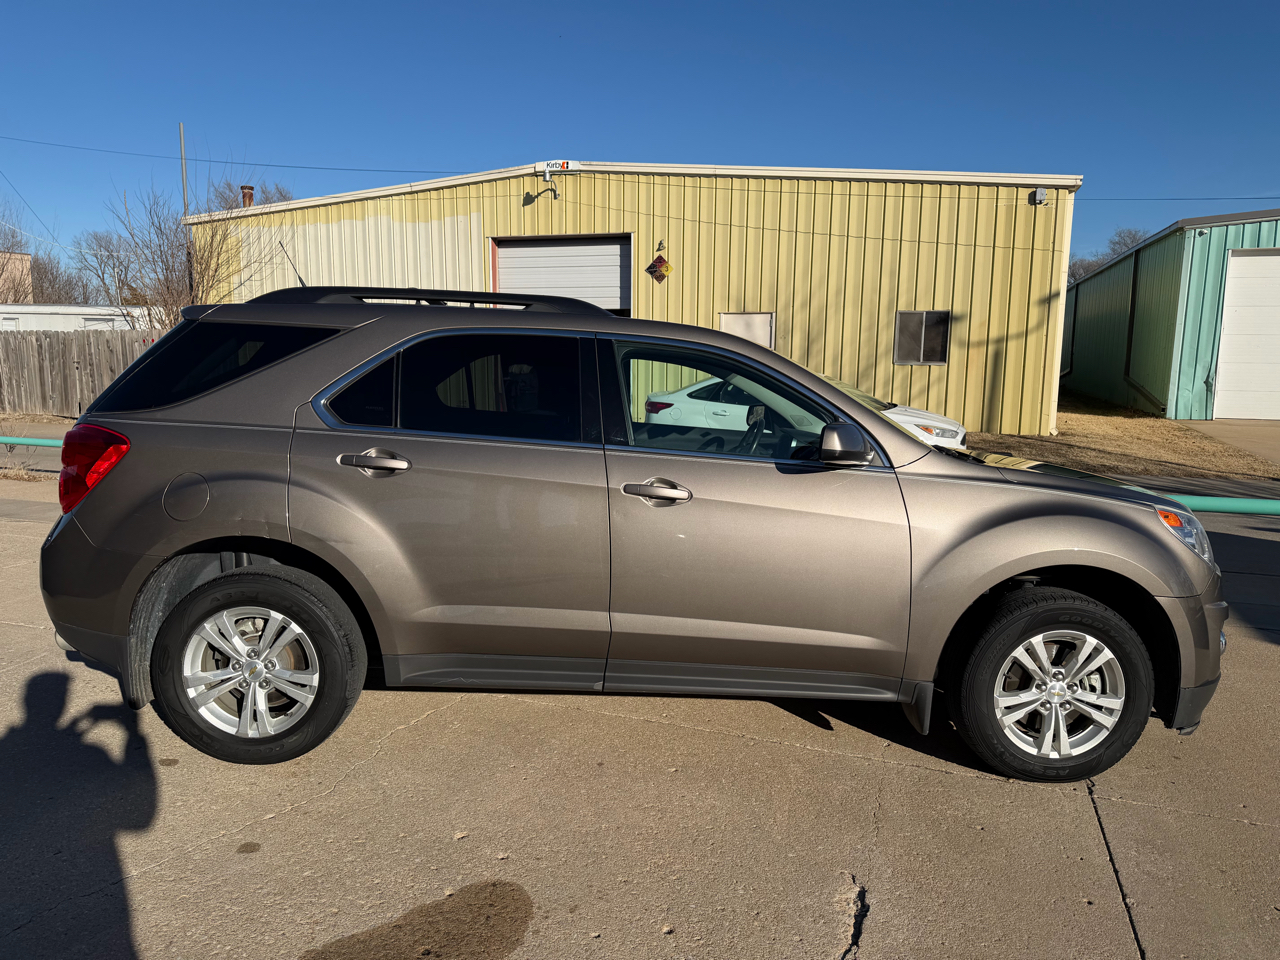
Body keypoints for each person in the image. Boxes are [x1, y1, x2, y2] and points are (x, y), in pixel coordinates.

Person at [0, 672, 156, 959]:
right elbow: (140, 818)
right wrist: (132, 731)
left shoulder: (7, 752)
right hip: (98, 920)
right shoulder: (92, 755)